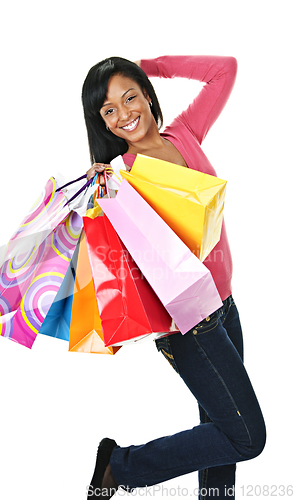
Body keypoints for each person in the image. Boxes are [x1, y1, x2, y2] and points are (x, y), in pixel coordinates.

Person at [82, 56, 266, 499]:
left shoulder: (184, 133)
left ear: (146, 93)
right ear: (102, 123)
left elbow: (225, 69)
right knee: (246, 437)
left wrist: (148, 64)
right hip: (187, 324)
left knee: (220, 436)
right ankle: (120, 466)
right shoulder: (117, 176)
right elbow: (111, 250)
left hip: (225, 306)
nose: (125, 114)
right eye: (110, 110)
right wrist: (97, 191)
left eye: (130, 96)